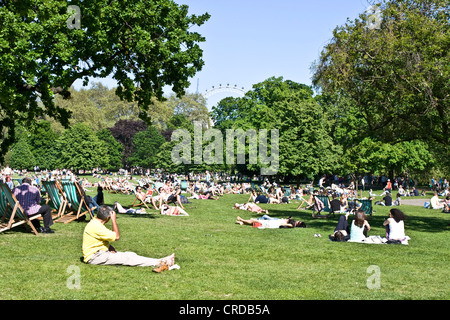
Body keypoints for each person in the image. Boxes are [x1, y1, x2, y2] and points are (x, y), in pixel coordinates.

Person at [82, 205, 175, 272]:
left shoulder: (94, 222)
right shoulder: (97, 226)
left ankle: (159, 260)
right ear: (107, 217)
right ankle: (160, 261)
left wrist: (109, 246)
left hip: (98, 253)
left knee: (130, 254)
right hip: (95, 257)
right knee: (127, 258)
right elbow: (117, 237)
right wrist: (114, 220)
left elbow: (97, 238)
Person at [235, 215, 306, 229]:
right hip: (274, 223)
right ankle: (243, 222)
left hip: (274, 223)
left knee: (255, 221)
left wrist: (284, 223)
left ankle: (242, 220)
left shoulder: (293, 224)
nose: (298, 221)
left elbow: (288, 225)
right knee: (255, 223)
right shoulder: (293, 223)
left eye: (299, 222)